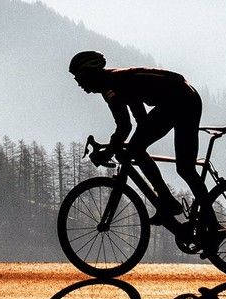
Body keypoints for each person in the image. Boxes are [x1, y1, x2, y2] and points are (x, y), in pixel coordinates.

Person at [68, 51, 216, 237]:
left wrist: (110, 150)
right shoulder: (110, 86)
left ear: (90, 73)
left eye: (78, 77)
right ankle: (183, 209)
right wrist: (113, 147)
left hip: (182, 99)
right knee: (173, 164)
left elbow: (132, 124)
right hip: (180, 98)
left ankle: (172, 203)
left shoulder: (115, 82)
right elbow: (130, 124)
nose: (78, 83)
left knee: (160, 159)